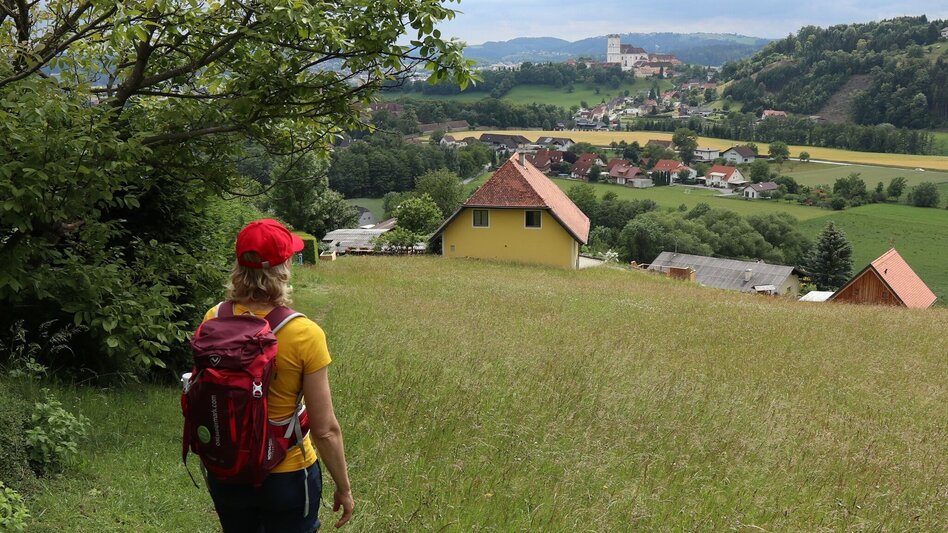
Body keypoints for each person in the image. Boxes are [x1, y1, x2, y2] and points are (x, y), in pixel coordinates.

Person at [203, 218, 354, 532]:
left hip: (227, 468)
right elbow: (325, 429)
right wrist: (344, 487)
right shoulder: (304, 334)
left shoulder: (213, 318)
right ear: (284, 267)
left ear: (239, 265)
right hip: (286, 471)